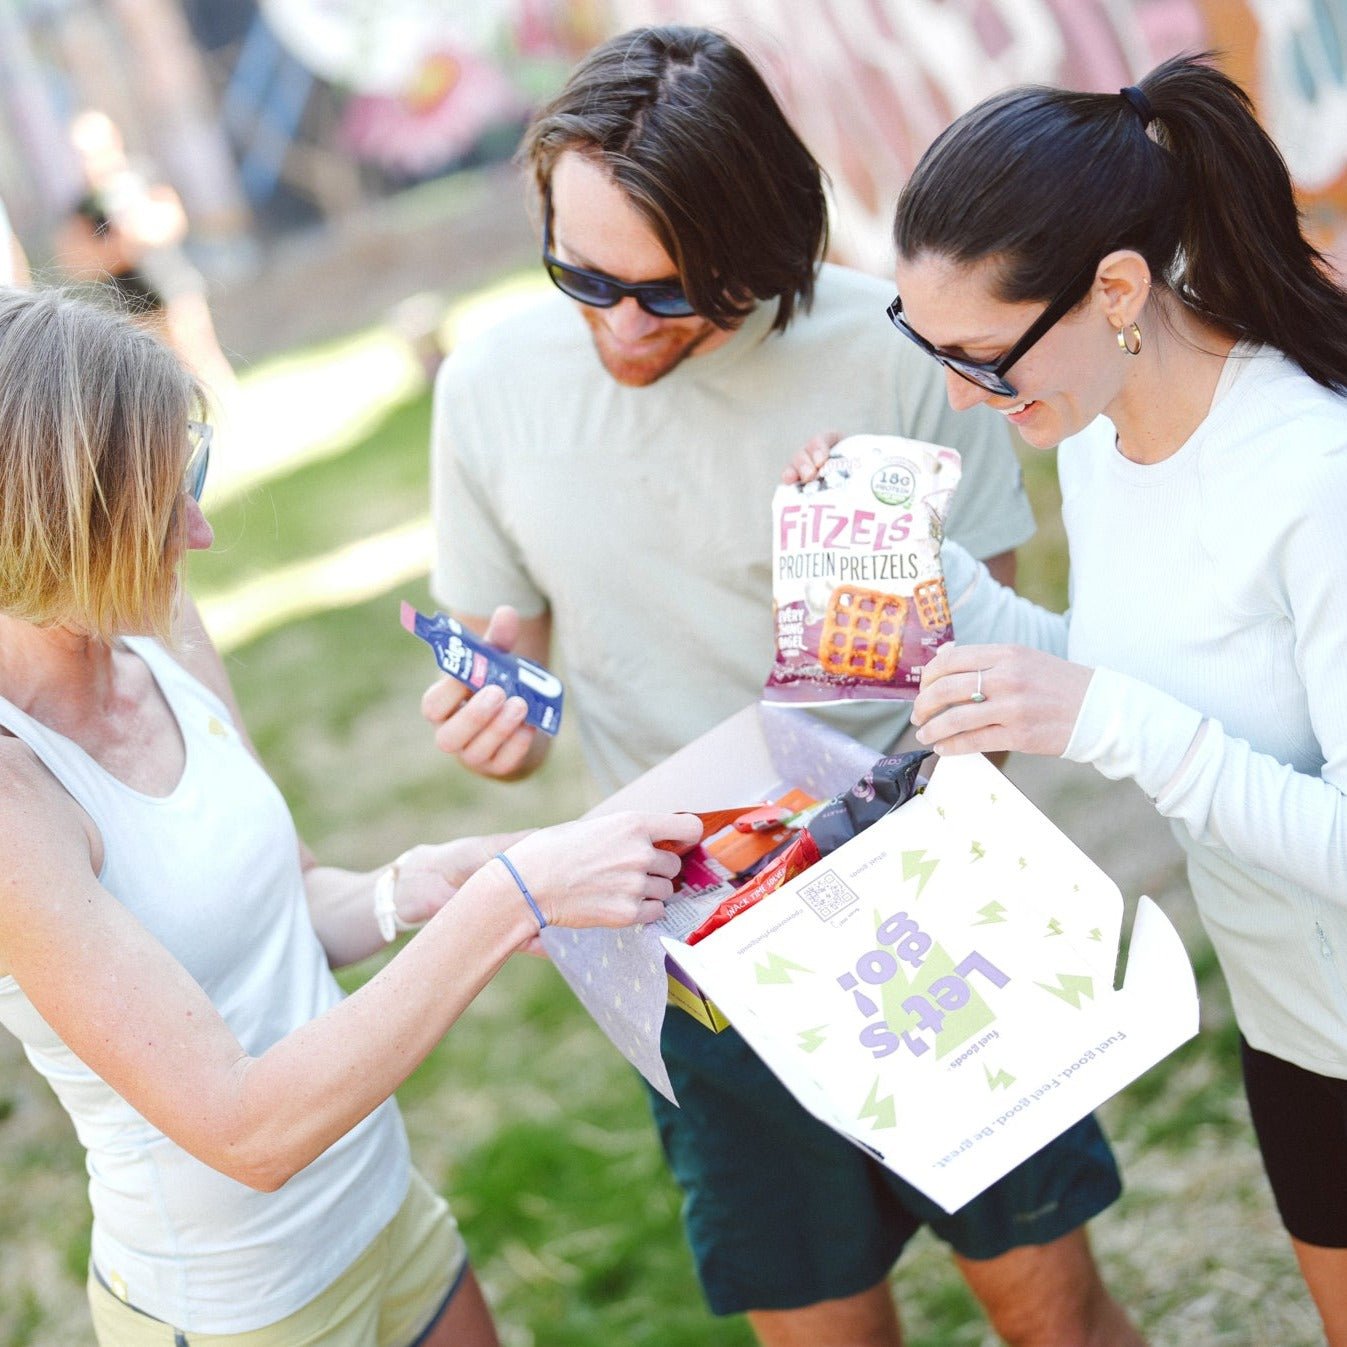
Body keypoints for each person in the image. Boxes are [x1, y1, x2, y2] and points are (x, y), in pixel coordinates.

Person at [423, 25, 1142, 1347]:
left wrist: (889, 826)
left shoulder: (888, 345)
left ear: (757, 249)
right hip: (688, 956)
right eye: (581, 275)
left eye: (669, 293)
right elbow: (508, 666)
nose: (619, 327)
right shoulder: (488, 386)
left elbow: (985, 664)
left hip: (926, 914)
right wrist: (498, 724)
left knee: (1053, 1315)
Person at [0, 286, 699, 1346]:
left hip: (384, 1212)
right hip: (241, 1307)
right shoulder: (16, 797)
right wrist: (512, 904)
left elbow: (288, 904)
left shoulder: (155, 626)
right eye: (159, 507)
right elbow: (247, 1126)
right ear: (51, 533)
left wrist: (416, 887)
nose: (202, 530)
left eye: (188, 480)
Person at [830, 51, 1347, 1347]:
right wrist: (926, 577)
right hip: (1296, 1015)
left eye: (979, 357)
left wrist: (1104, 723)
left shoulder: (1310, 475)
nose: (958, 396)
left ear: (1114, 288)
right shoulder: (1105, 435)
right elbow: (1149, 662)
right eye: (924, 346)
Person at [54, 109, 237, 404]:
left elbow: (172, 219)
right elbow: (78, 262)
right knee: (161, 378)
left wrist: (139, 235)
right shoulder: (84, 207)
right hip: (132, 303)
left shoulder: (142, 174)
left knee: (202, 359)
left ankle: (228, 411)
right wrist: (123, 248)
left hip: (173, 286)